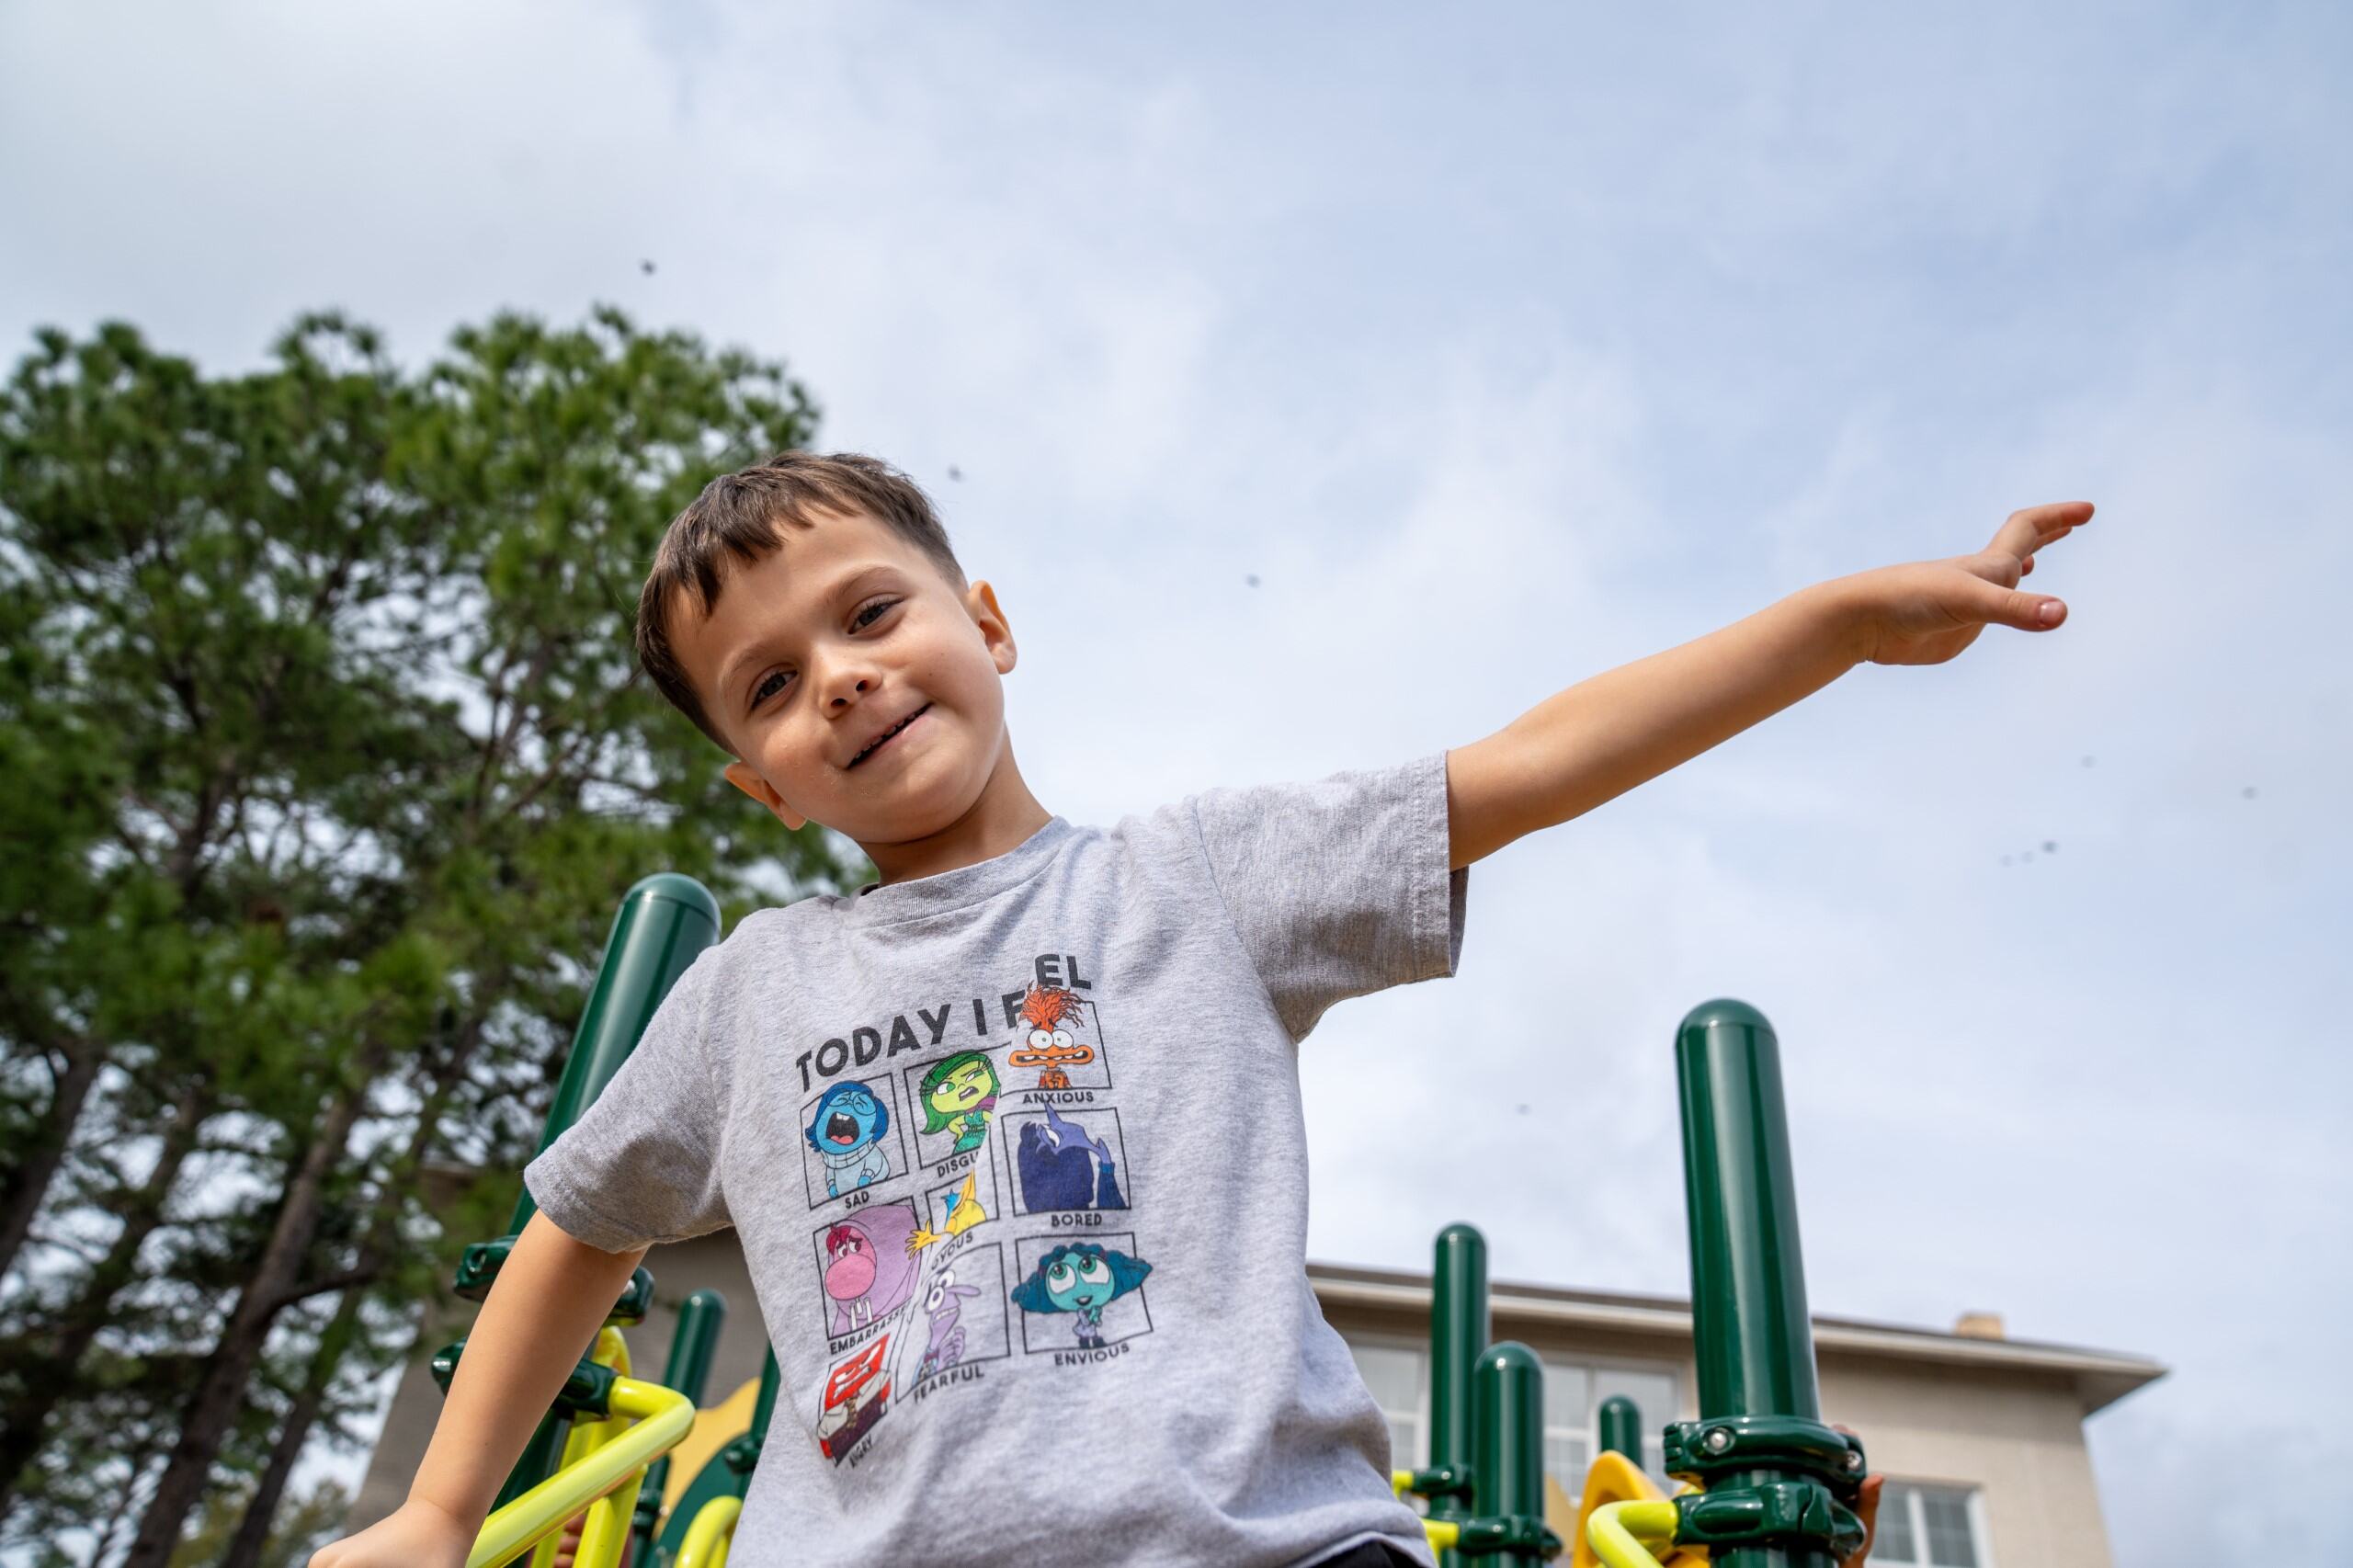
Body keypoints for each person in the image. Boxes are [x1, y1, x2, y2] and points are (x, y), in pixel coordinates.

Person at [313, 453, 2086, 1567]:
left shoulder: (1192, 880)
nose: (839, 677)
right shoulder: (754, 991)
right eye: (771, 685)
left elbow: (1532, 764)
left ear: (985, 621)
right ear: (764, 788)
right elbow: (575, 1220)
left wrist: (1840, 621)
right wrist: (438, 1511)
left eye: (870, 613)